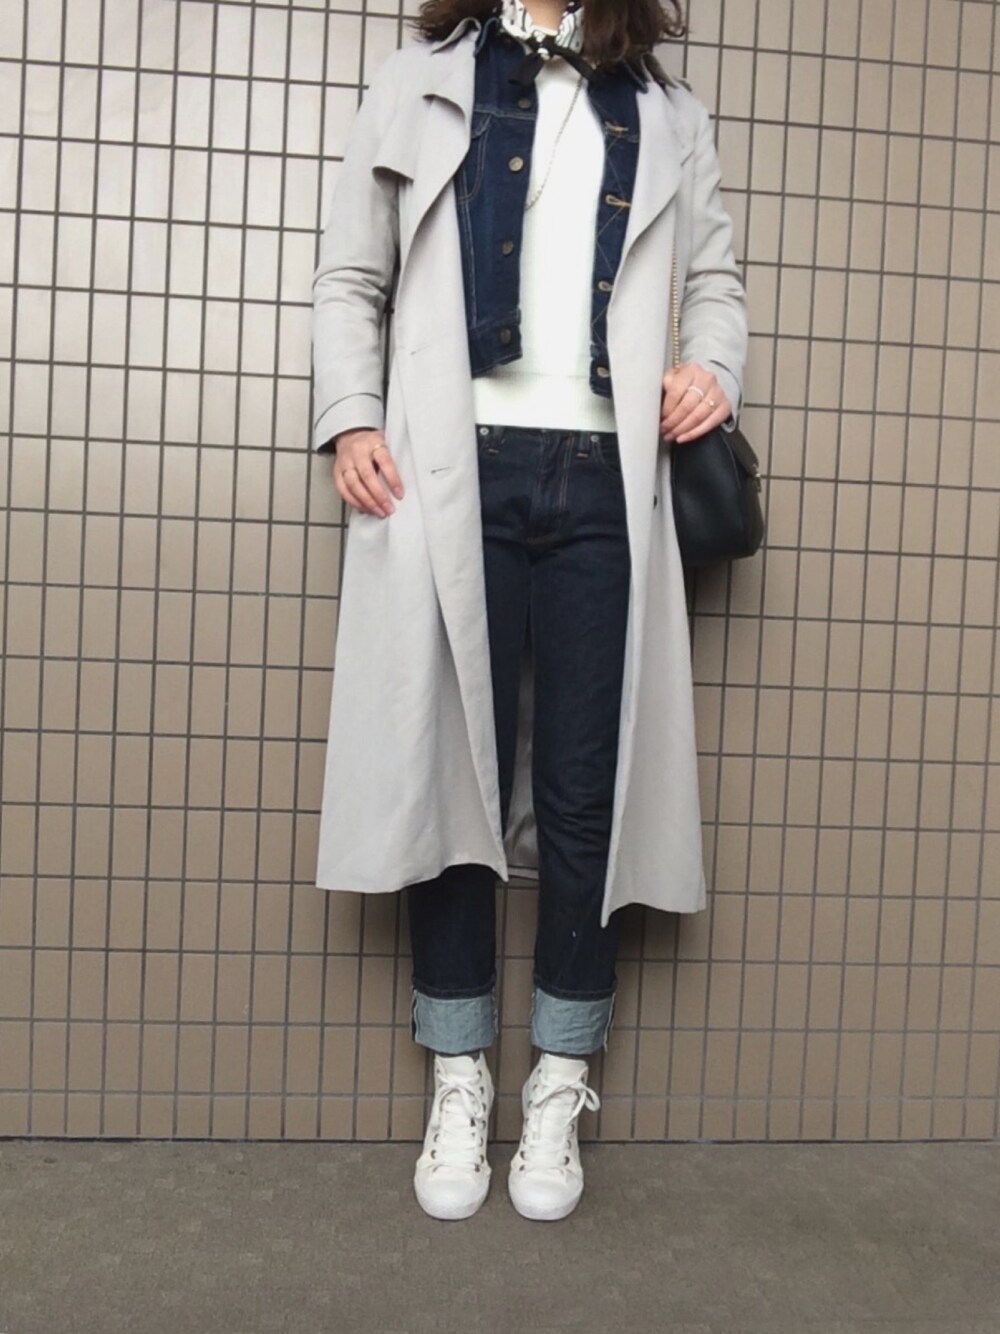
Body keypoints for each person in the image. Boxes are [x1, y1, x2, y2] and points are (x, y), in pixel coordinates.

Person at [310, 0, 748, 1223]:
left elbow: (716, 282)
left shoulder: (666, 111)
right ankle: (459, 1075)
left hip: (608, 477)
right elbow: (351, 272)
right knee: (447, 771)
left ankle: (558, 1078)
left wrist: (710, 368)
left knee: (584, 788)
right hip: (455, 466)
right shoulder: (419, 79)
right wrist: (350, 413)